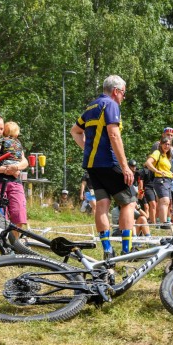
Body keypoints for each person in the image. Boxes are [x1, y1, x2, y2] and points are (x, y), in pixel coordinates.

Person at [70, 74, 135, 259]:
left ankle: (107, 250)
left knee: (102, 204)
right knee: (129, 202)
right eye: (123, 93)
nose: (123, 97)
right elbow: (114, 135)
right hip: (109, 162)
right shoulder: (111, 104)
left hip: (92, 165)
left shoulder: (91, 106)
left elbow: (75, 131)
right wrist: (125, 167)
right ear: (116, 91)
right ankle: (126, 249)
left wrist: (89, 150)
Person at [0, 120, 29, 230]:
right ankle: (6, 242)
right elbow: (21, 159)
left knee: (16, 213)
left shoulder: (3, 140)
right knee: (1, 215)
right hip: (1, 181)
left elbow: (24, 161)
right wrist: (13, 169)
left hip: (13, 177)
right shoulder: (18, 143)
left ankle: (13, 243)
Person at [144, 137, 173, 226]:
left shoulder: (166, 156)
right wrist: (156, 171)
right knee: (165, 201)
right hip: (161, 180)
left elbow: (167, 171)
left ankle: (162, 223)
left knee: (165, 202)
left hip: (168, 180)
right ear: (161, 144)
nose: (167, 146)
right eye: (165, 143)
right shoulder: (157, 153)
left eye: (169, 144)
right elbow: (148, 163)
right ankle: (164, 223)